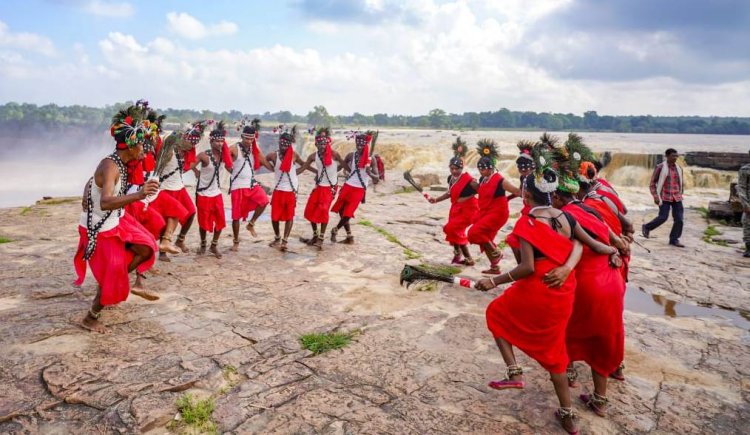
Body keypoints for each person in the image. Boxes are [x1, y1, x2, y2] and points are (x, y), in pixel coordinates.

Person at [475, 164, 583, 435]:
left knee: (496, 313)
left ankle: (515, 373)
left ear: (526, 196)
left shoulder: (528, 222)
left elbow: (527, 268)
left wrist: (494, 281)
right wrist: (568, 267)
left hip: (539, 287)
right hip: (564, 288)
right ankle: (568, 416)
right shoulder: (566, 216)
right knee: (555, 350)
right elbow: (581, 244)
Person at [549, 141, 628, 418]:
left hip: (585, 283)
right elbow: (620, 242)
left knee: (566, 328)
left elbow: (560, 254)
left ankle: (569, 374)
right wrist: (614, 253)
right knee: (603, 338)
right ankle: (600, 399)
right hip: (612, 282)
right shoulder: (591, 209)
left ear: (558, 197)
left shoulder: (561, 218)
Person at [73, 105, 160, 333]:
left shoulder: (119, 162)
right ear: (130, 145)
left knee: (146, 248)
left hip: (116, 221)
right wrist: (140, 194)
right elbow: (106, 201)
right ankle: (91, 317)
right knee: (115, 271)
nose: (145, 149)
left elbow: (96, 180)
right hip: (100, 229)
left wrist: (87, 188)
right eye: (142, 145)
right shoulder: (111, 165)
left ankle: (113, 282)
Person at [467, 139, 521, 274]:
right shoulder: (483, 180)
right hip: (486, 211)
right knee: (484, 238)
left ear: (491, 167)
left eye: (483, 168)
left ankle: (497, 252)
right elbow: (485, 193)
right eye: (479, 168)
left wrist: (507, 198)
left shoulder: (500, 180)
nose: (480, 170)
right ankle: (495, 267)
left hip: (498, 213)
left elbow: (517, 191)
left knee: (475, 232)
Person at [155, 121, 205, 256]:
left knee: (191, 212)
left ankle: (180, 240)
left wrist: (194, 170)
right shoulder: (169, 150)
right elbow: (157, 166)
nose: (192, 146)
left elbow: (188, 164)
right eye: (190, 143)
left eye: (193, 144)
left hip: (179, 187)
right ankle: (163, 251)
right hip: (166, 188)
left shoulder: (187, 152)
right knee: (167, 219)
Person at [428, 137, 478, 265]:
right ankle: (459, 255)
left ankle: (468, 258)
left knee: (451, 229)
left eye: (457, 169)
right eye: (452, 168)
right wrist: (436, 200)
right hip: (455, 208)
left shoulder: (470, 181)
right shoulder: (451, 178)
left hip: (469, 210)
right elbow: (450, 193)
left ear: (462, 168)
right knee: (452, 230)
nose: (454, 171)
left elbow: (484, 192)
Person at [229, 118, 272, 251]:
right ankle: (236, 241)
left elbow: (268, 165)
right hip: (237, 186)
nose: (249, 141)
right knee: (236, 216)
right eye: (246, 138)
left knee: (264, 201)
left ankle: (251, 223)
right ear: (242, 136)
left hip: (251, 184)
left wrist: (280, 163)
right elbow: (226, 163)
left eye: (251, 139)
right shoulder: (234, 149)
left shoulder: (255, 151)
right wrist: (233, 172)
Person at [191, 120, 233, 258]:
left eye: (222, 141)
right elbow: (190, 164)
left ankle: (214, 245)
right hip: (203, 193)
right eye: (217, 141)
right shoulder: (203, 155)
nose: (220, 144)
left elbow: (230, 167)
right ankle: (203, 244)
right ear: (211, 142)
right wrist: (196, 172)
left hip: (216, 192)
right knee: (203, 222)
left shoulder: (224, 155)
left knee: (220, 221)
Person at [330, 131, 380, 244]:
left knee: (348, 212)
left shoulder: (371, 159)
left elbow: (377, 179)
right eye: (358, 144)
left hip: (359, 188)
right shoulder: (351, 155)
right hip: (348, 185)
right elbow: (340, 168)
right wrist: (328, 175)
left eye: (362, 144)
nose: (359, 146)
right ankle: (349, 236)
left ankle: (335, 230)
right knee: (341, 210)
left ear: (366, 145)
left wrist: (370, 173)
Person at [300, 126, 345, 249]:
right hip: (319, 186)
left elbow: (343, 164)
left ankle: (321, 238)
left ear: (328, 143)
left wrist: (337, 172)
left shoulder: (334, 154)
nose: (322, 145)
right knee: (309, 210)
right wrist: (292, 173)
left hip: (330, 187)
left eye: (324, 143)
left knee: (323, 211)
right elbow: (303, 167)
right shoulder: (313, 156)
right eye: (319, 143)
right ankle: (315, 234)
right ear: (316, 144)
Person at [265, 126, 306, 251]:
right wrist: (272, 169)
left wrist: (294, 173)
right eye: (282, 143)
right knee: (274, 217)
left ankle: (285, 240)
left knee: (289, 216)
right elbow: (263, 160)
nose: (284, 145)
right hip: (278, 189)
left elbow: (304, 165)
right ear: (279, 142)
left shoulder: (294, 155)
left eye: (286, 143)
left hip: (291, 190)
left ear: (290, 144)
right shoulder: (273, 155)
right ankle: (277, 237)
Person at [643, 148, 684, 247]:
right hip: (664, 196)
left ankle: (674, 239)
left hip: (677, 197)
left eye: (676, 155)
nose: (675, 157)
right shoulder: (660, 167)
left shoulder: (679, 168)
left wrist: (681, 193)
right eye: (673, 156)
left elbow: (681, 182)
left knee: (679, 219)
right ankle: (647, 227)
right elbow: (652, 183)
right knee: (663, 217)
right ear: (667, 156)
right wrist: (655, 196)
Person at [737, 150, 750, 257]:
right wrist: (745, 204)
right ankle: (748, 248)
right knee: (747, 225)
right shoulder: (745, 170)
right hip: (749, 202)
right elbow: (741, 188)